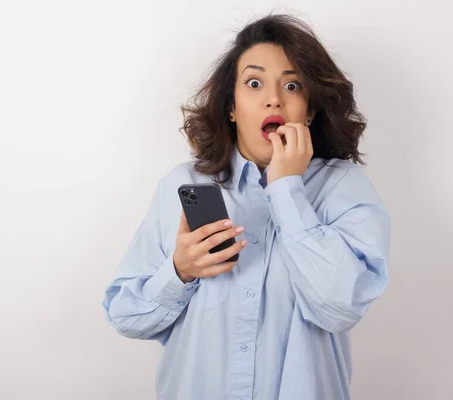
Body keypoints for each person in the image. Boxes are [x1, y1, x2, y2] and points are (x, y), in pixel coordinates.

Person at [102, 13, 390, 400]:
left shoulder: (343, 186)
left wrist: (287, 187)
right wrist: (180, 272)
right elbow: (125, 316)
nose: (273, 98)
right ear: (232, 107)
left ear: (310, 109)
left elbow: (340, 308)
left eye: (292, 85)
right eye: (254, 83)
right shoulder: (184, 185)